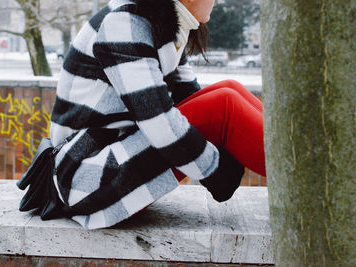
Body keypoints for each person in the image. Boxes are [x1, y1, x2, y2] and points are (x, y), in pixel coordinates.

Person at [24, 0, 266, 230]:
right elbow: (158, 121)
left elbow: (188, 98)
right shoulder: (124, 22)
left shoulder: (163, 25)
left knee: (229, 89)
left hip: (117, 153)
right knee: (224, 105)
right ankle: (303, 176)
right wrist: (216, 170)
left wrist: (220, 144)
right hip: (87, 177)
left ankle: (302, 161)